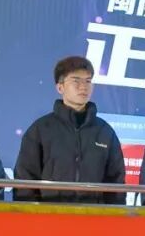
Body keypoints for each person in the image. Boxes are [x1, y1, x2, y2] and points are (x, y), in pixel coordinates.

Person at [14, 56, 125, 204]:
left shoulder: (105, 131)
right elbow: (25, 179)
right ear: (60, 87)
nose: (83, 87)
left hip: (93, 215)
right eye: (76, 81)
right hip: (50, 214)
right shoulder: (40, 129)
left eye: (88, 81)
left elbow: (116, 182)